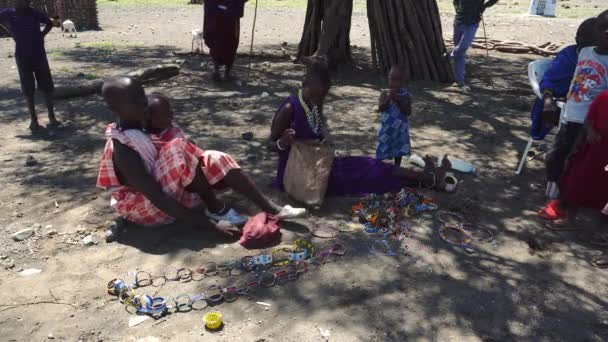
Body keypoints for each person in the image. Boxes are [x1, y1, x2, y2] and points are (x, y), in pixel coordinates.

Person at [96, 77, 305, 236]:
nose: (143, 103)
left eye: (142, 96)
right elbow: (157, 197)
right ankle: (214, 210)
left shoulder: (144, 125)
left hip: (167, 193)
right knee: (177, 147)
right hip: (143, 209)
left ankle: (271, 208)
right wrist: (210, 227)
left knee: (214, 156)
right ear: (115, 109)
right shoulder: (122, 147)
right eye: (135, 101)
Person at [270, 63, 452, 197]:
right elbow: (270, 144)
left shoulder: (313, 104)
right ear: (305, 84)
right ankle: (426, 179)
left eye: (322, 97)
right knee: (368, 177)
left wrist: (323, 141)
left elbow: (316, 132)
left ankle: (425, 178)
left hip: (319, 162)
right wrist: (282, 143)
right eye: (316, 96)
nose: (319, 100)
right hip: (300, 172)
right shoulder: (289, 108)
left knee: (368, 164)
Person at [540, 10, 608, 213]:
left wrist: (592, 124)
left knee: (577, 162)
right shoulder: (585, 53)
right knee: (556, 154)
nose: (606, 32)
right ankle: (555, 189)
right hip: (570, 114)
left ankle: (566, 200)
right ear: (593, 30)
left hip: (590, 122)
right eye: (602, 27)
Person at [538, 91, 608, 267]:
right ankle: (570, 218)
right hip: (595, 150)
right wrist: (591, 131)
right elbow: (589, 119)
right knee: (576, 180)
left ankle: (604, 234)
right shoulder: (603, 97)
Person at [531, 18, 597, 142]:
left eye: (587, 38)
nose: (578, 40)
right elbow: (550, 80)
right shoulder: (569, 55)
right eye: (578, 36)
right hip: (574, 111)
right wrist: (548, 99)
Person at [0, 0, 60, 132]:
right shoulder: (8, 14)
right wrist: (10, 30)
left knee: (46, 87)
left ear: (28, 2)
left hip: (39, 54)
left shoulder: (34, 13)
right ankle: (34, 120)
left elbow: (50, 23)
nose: (18, 3)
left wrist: (42, 35)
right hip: (22, 56)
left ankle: (52, 116)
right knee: (28, 90)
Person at [450, 0, 499, 90]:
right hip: (458, 22)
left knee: (462, 47)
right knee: (460, 54)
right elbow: (455, 2)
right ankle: (460, 81)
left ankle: (449, 55)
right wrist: (458, 11)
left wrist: (485, 5)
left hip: (472, 23)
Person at [376, 65, 412, 167]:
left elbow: (408, 111)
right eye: (391, 79)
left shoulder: (406, 95)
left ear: (403, 82)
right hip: (387, 129)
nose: (393, 83)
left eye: (397, 80)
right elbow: (381, 108)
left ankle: (397, 167)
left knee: (398, 149)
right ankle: (379, 166)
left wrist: (397, 100)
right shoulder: (384, 93)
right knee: (383, 147)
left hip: (400, 131)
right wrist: (388, 99)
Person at [203, 0, 247, 81]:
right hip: (215, 17)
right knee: (215, 42)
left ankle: (228, 71)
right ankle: (216, 70)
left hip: (230, 16)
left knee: (230, 43)